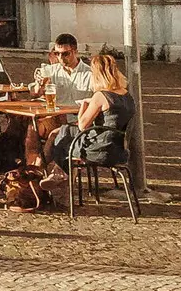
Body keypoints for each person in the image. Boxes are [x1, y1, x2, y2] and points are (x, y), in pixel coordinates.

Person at [41, 51, 133, 190]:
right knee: (62, 133)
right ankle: (58, 172)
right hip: (119, 150)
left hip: (100, 150)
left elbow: (83, 124)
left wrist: (84, 104)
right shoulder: (126, 95)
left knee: (64, 132)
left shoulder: (100, 96)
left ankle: (53, 172)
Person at [33, 33, 94, 104]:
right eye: (57, 53)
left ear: (75, 52)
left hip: (80, 113)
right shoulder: (50, 71)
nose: (60, 57)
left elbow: (99, 99)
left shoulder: (90, 73)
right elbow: (35, 94)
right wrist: (40, 84)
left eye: (65, 54)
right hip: (57, 113)